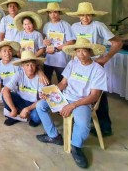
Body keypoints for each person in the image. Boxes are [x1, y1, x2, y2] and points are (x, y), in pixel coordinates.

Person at [35, 38, 107, 168]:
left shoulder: (98, 70)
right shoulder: (72, 63)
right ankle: (54, 136)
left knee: (83, 124)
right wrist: (51, 93)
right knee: (40, 105)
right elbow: (63, 83)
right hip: (65, 97)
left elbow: (94, 96)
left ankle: (76, 147)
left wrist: (73, 105)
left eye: (84, 51)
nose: (81, 54)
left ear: (90, 52)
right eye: (78, 51)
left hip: (83, 102)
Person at [67, 2, 122, 137]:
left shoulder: (98, 26)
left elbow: (118, 42)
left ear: (92, 15)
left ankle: (105, 127)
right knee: (80, 90)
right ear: (78, 16)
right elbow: (74, 45)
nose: (85, 18)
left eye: (88, 15)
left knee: (98, 95)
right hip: (79, 63)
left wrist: (105, 58)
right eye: (82, 15)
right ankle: (82, 119)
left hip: (95, 64)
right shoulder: (74, 27)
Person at [2, 50, 45, 127]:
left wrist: (27, 109)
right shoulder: (19, 74)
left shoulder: (41, 78)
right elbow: (5, 90)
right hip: (21, 100)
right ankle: (15, 115)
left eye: (32, 65)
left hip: (33, 103)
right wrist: (13, 109)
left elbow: (43, 99)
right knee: (5, 94)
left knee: (36, 117)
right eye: (27, 65)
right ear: (22, 66)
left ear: (36, 66)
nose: (30, 68)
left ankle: (28, 115)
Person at [38, 3, 75, 83]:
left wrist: (55, 49)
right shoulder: (46, 25)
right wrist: (44, 42)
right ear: (48, 14)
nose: (53, 15)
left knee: (62, 83)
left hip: (61, 60)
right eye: (50, 12)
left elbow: (71, 42)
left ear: (59, 13)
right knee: (46, 82)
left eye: (55, 12)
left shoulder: (66, 25)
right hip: (48, 59)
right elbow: (44, 40)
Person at [0, 40, 21, 111]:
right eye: (4, 51)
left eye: (9, 50)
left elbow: (31, 68)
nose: (7, 53)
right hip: (7, 89)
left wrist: (40, 73)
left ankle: (14, 108)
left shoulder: (18, 62)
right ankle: (12, 108)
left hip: (20, 88)